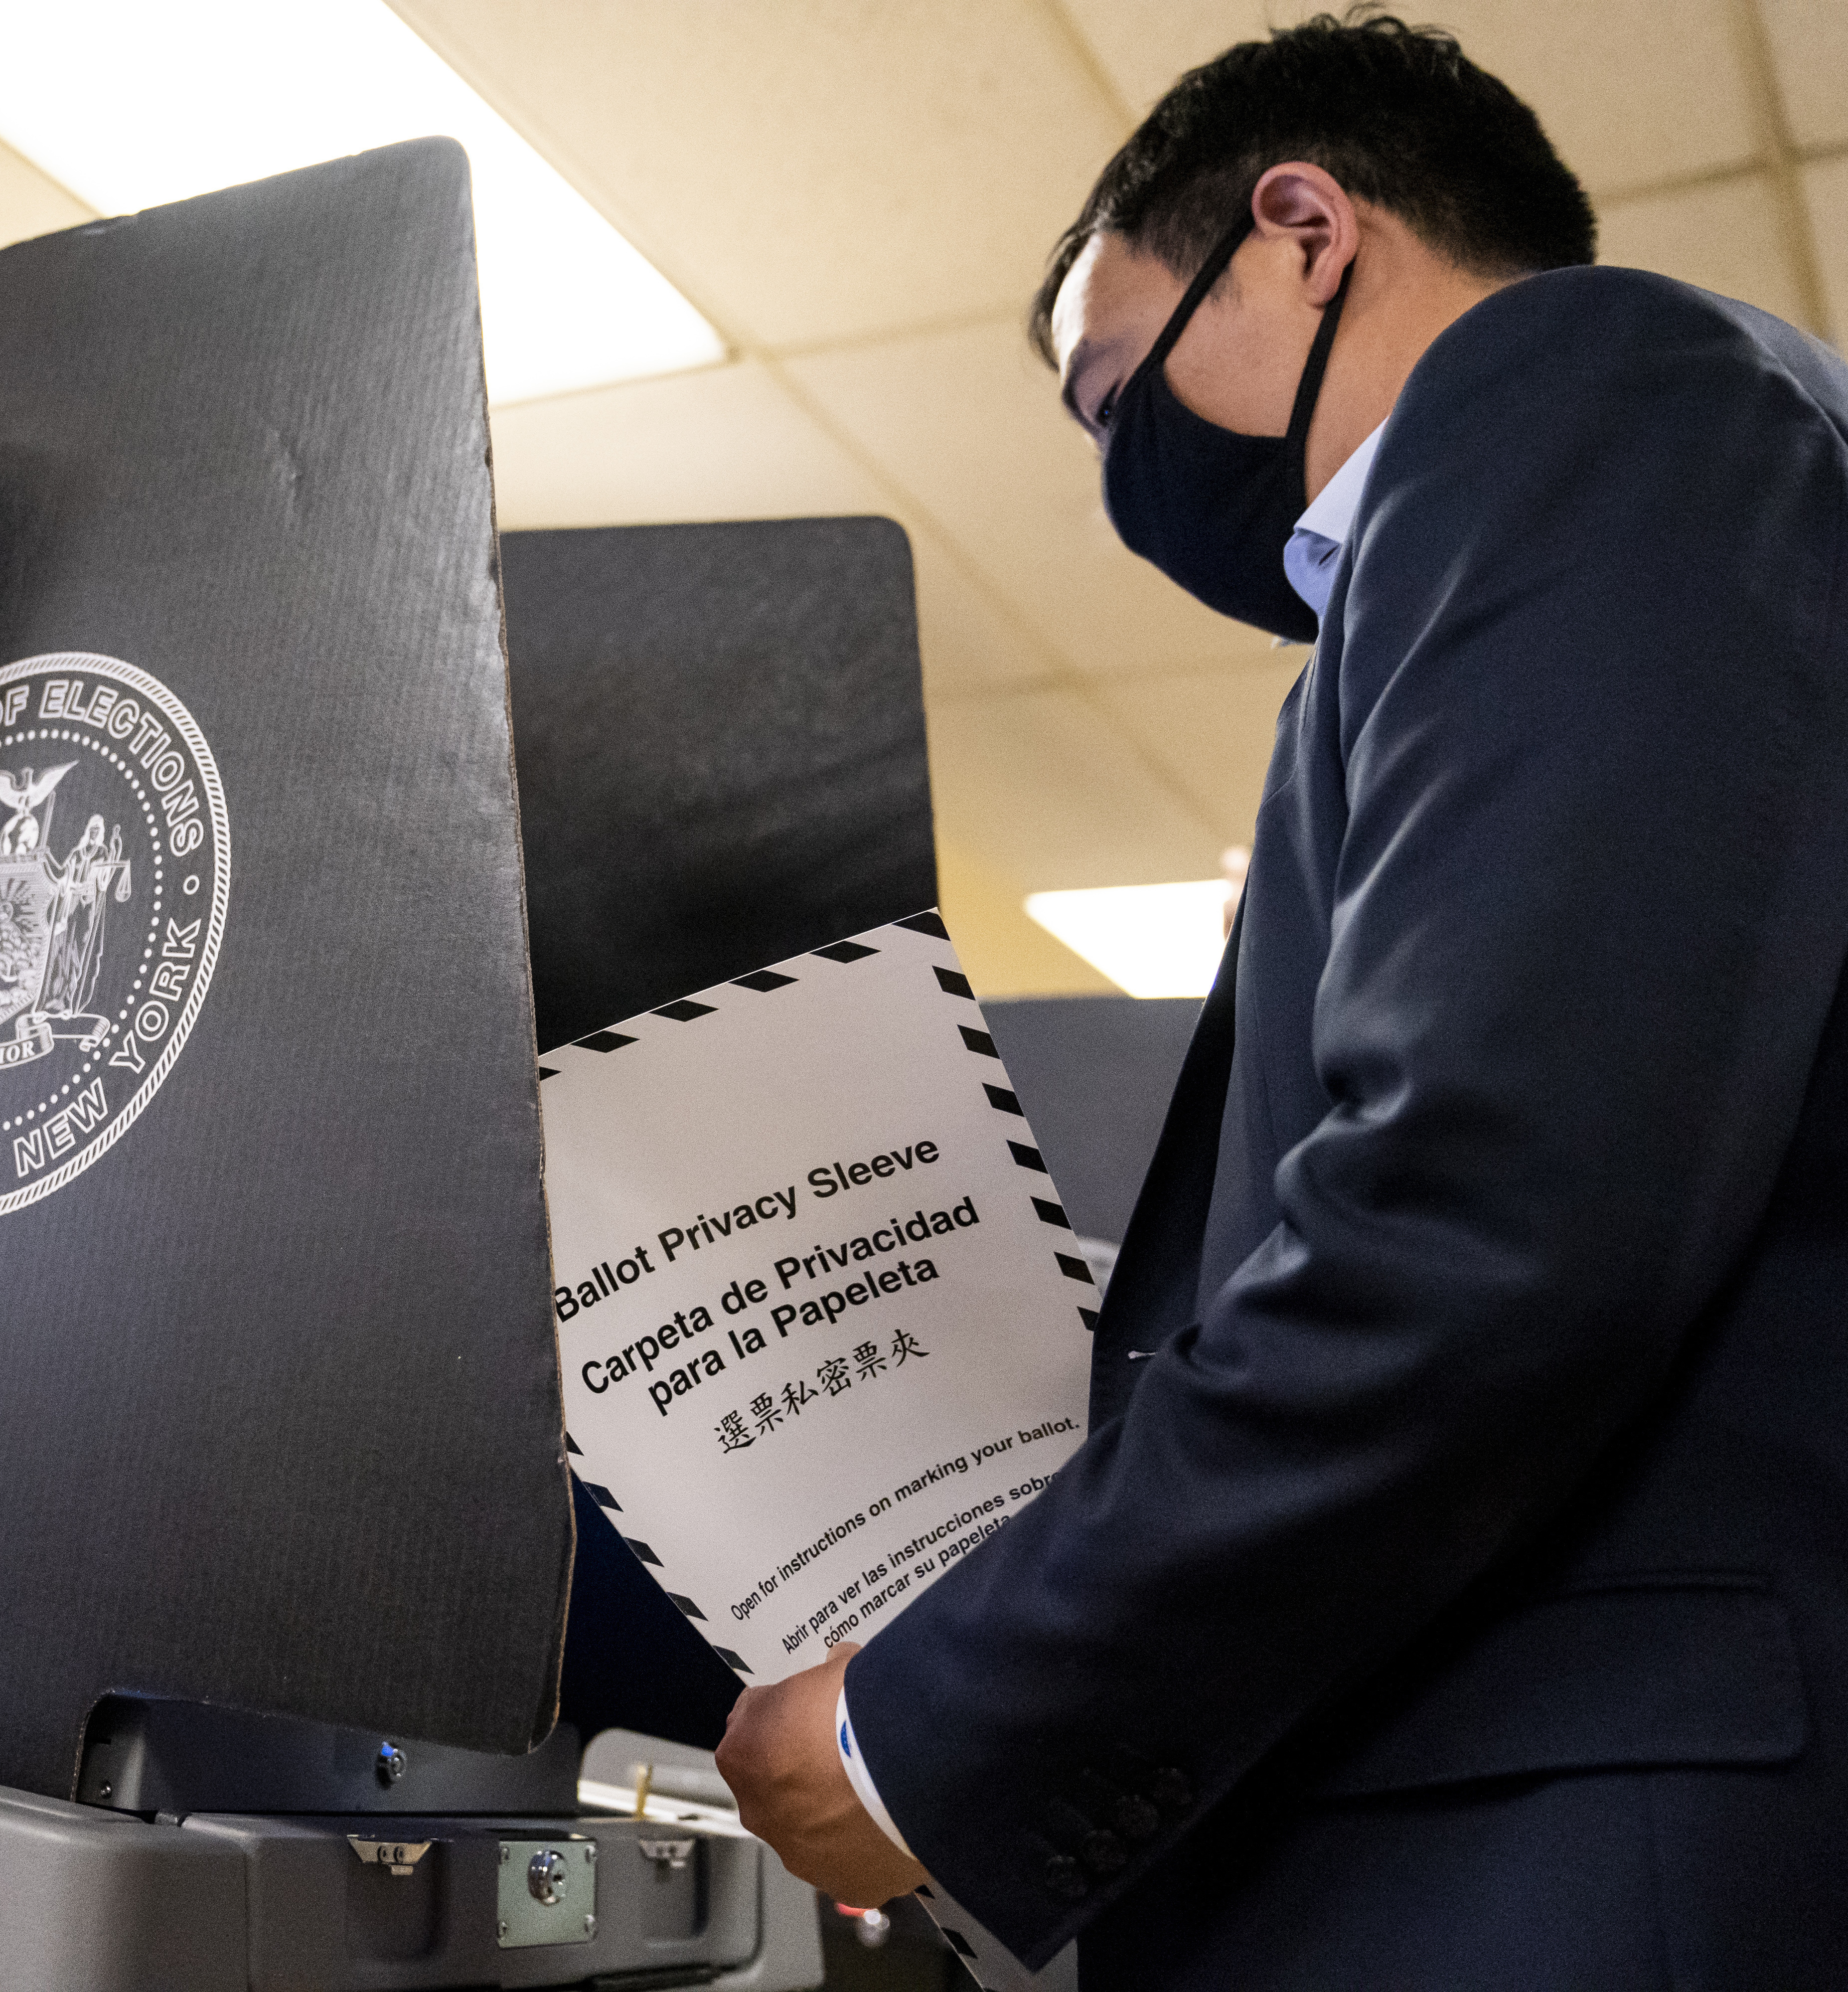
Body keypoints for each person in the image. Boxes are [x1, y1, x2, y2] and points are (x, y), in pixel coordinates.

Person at [714, 14, 1848, 1989]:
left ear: (1304, 229)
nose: (1118, 467)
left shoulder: (1588, 391)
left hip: (1566, 1846)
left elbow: (1494, 1206)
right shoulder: (1519, 557)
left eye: (1114, 382)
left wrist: (931, 1725)